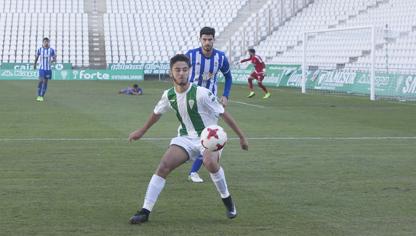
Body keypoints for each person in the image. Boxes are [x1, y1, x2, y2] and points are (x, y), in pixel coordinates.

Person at [128, 54, 248, 224]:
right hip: (185, 137)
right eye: (177, 70)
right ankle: (145, 211)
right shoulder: (168, 95)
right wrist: (141, 131)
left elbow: (223, 113)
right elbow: (156, 114)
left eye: (185, 69)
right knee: (163, 166)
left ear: (189, 71)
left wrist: (242, 137)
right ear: (171, 73)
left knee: (210, 163)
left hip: (208, 138)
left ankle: (227, 201)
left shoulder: (202, 93)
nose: (181, 73)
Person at [185, 26, 233, 183]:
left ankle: (193, 171)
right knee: (197, 135)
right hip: (193, 101)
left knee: (208, 136)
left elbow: (228, 77)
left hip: (211, 103)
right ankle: (191, 159)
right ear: (200, 40)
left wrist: (225, 95)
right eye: (204, 39)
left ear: (214, 40)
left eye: (210, 39)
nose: (207, 42)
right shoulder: (191, 55)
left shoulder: (220, 57)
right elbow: (179, 72)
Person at [34, 37, 57, 102]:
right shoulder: (39, 49)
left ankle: (42, 96)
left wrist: (52, 61)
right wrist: (34, 65)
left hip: (48, 69)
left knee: (45, 82)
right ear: (43, 42)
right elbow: (36, 57)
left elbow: (54, 58)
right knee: (41, 81)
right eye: (44, 42)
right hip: (41, 68)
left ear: (48, 42)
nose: (46, 43)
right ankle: (38, 95)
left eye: (47, 42)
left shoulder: (51, 50)